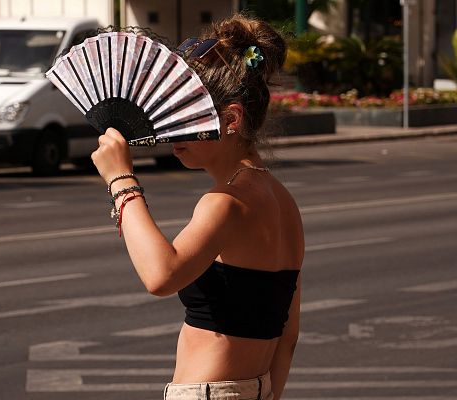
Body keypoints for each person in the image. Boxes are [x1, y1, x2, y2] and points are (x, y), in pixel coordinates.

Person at [91, 13, 304, 400]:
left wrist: (120, 179)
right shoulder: (282, 202)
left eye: (184, 114)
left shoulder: (224, 202)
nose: (169, 129)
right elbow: (287, 333)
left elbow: (161, 275)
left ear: (230, 119)